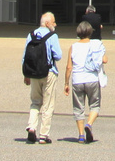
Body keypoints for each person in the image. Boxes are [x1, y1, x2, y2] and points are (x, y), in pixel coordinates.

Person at [62, 20, 107, 143]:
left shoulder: (73, 47)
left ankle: (81, 135)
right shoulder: (96, 45)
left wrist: (66, 83)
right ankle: (89, 124)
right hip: (92, 79)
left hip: (77, 80)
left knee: (78, 108)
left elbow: (69, 67)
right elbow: (104, 60)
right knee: (95, 105)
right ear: (90, 32)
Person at [22, 11, 62, 144]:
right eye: (53, 22)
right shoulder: (52, 36)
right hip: (49, 72)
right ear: (47, 23)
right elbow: (58, 55)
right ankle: (44, 135)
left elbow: (25, 56)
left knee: (35, 101)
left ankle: (31, 127)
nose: (55, 24)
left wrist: (26, 74)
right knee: (48, 104)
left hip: (33, 73)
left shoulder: (31, 35)